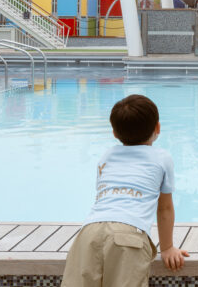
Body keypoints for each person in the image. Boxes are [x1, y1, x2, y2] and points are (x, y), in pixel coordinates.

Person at [61, 94, 188, 287]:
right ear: (157, 128)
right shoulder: (162, 158)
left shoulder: (106, 156)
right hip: (129, 235)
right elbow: (164, 208)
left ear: (114, 132)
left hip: (89, 233)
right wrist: (167, 248)